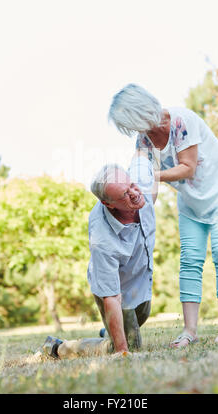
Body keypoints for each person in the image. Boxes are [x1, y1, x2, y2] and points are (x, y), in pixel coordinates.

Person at [108, 83, 218, 347]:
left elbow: (188, 168)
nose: (133, 131)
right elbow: (143, 184)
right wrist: (136, 206)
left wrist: (151, 176)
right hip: (192, 202)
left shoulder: (181, 121)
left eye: (130, 122)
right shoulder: (144, 139)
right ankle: (190, 331)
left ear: (139, 112)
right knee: (189, 262)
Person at [40, 148, 159, 360]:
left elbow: (145, 154)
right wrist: (122, 352)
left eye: (131, 185)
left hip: (141, 277)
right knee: (129, 344)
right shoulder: (103, 239)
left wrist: (146, 145)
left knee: (143, 314)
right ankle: (58, 347)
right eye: (124, 194)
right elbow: (112, 297)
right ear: (108, 204)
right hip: (117, 288)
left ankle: (111, 330)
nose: (134, 193)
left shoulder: (138, 184)